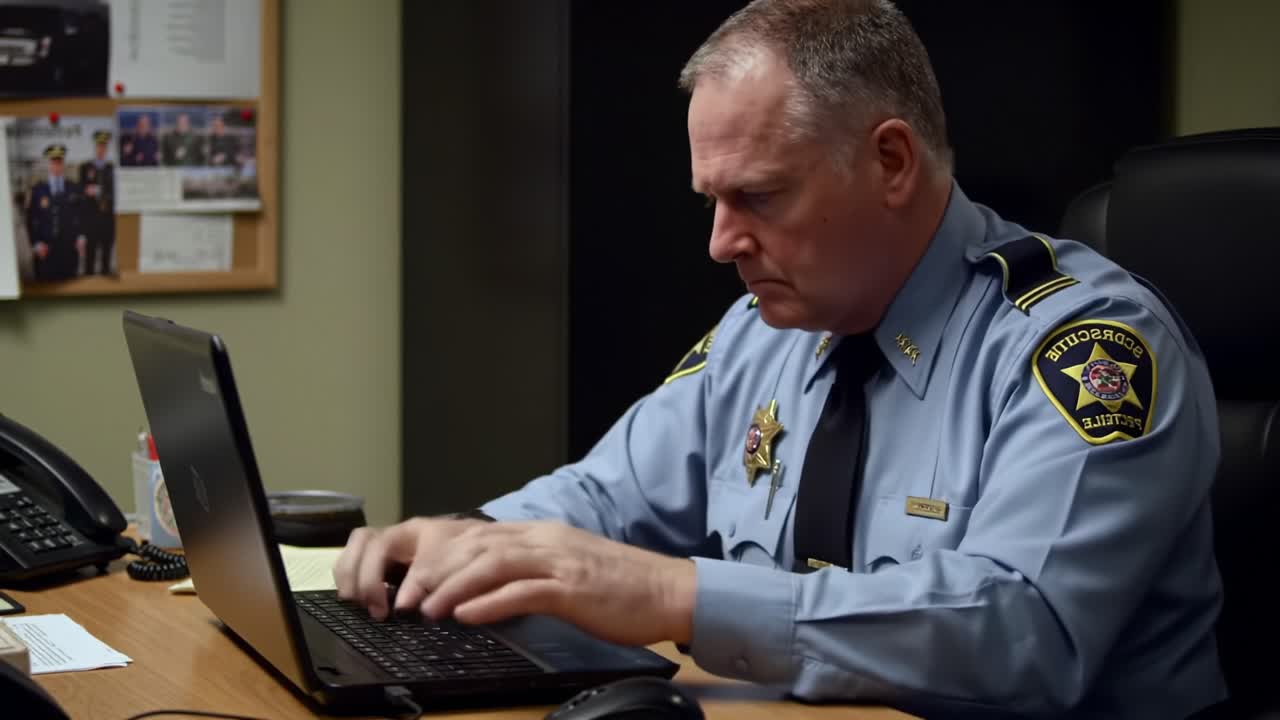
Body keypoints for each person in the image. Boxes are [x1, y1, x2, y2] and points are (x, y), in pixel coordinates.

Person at [335, 1, 1225, 717]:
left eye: (758, 196)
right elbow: (611, 497)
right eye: (712, 200)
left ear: (889, 161)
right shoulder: (764, 332)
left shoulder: (1085, 346)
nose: (723, 243)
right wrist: (474, 543)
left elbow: (1027, 633)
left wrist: (680, 596)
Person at [25, 144, 84, 281]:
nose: (57, 166)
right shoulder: (38, 190)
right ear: (49, 164)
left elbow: (81, 215)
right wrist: (36, 244)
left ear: (63, 164)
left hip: (69, 250)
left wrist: (81, 237)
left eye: (59, 162)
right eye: (53, 162)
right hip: (46, 250)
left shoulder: (73, 188)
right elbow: (30, 219)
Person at [78, 129, 115, 275]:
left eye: (104, 146)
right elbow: (80, 191)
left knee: (106, 260)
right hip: (91, 221)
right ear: (95, 147)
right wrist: (85, 191)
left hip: (107, 221)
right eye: (99, 146)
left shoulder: (111, 168)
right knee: (89, 260)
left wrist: (102, 193)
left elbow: (115, 192)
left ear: (107, 148)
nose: (101, 149)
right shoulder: (85, 167)